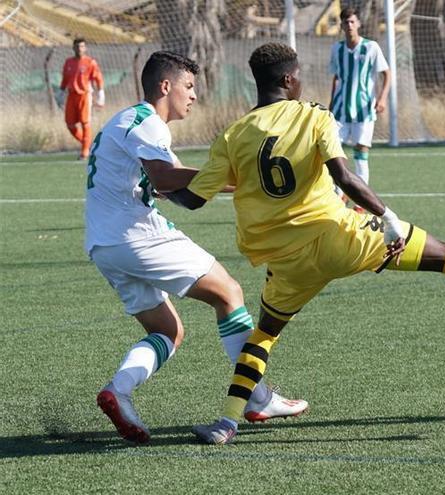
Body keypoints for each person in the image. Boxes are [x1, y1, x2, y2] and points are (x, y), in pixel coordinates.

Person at [157, 42, 445, 445]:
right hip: (342, 238)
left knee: (263, 335)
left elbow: (193, 198)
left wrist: (160, 188)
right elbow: (345, 176)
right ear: (288, 79)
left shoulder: (232, 135)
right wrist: (388, 220)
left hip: (288, 263)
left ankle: (227, 422)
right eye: (300, 76)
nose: (303, 82)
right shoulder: (313, 115)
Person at [86, 51, 307, 444]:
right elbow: (166, 177)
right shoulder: (148, 122)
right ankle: (257, 397)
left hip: (103, 245)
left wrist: (237, 181)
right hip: (136, 235)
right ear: (165, 86)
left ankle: (118, 390)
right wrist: (246, 177)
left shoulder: (126, 122)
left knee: (168, 332)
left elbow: (178, 183)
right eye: (189, 87)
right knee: (229, 292)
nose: (193, 96)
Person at [328, 6, 390, 209]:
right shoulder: (336, 49)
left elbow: (386, 73)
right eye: (345, 22)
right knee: (333, 153)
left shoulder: (371, 47)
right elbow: (336, 77)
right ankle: (340, 194)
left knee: (361, 152)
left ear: (359, 24)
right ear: (342, 25)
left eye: (352, 21)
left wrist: (382, 99)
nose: (349, 25)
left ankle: (361, 203)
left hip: (363, 110)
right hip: (339, 110)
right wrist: (330, 104)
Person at [60, 38, 105, 160]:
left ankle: (85, 152)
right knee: (70, 124)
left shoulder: (90, 62)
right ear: (73, 48)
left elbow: (98, 78)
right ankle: (89, 145)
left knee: (85, 123)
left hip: (84, 96)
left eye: (82, 46)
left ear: (85, 48)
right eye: (77, 46)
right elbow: (65, 79)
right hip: (71, 95)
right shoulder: (68, 62)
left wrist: (101, 94)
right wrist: (60, 93)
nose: (79, 49)